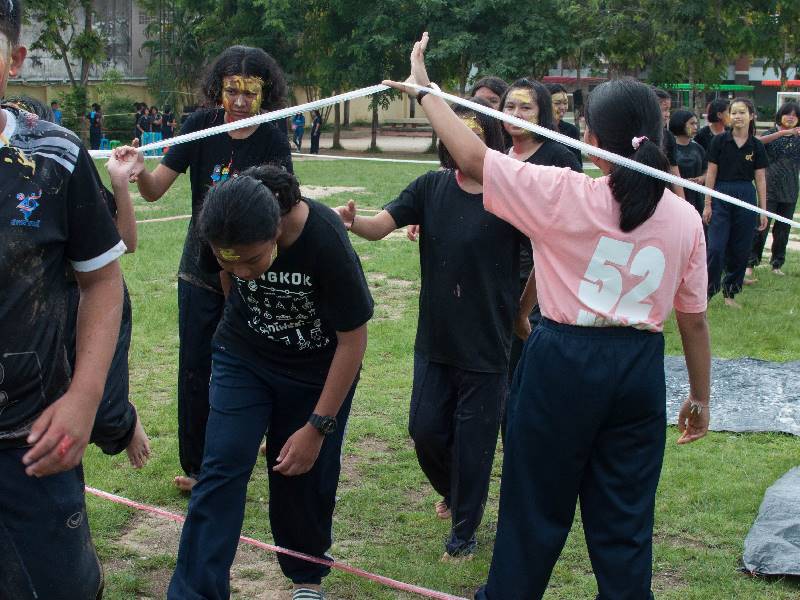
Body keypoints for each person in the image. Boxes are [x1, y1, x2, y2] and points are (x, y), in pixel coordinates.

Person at [385, 32, 711, 600]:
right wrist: (700, 400)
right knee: (626, 518)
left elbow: (472, 158)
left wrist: (425, 90)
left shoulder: (565, 193)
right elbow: (694, 321)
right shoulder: (684, 217)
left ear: (591, 142)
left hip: (562, 362)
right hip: (639, 370)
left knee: (534, 505)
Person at [168, 165, 373, 600]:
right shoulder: (221, 227)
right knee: (221, 466)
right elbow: (228, 282)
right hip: (243, 358)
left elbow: (353, 340)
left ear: (276, 228)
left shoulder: (324, 238)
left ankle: (306, 578)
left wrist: (317, 427)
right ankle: (195, 593)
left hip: (315, 371)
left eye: (253, 259)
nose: (242, 271)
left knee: (300, 474)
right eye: (229, 260)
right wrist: (245, 318)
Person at [334, 97, 525, 561]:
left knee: (475, 445)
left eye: (473, 136)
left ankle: (463, 535)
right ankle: (458, 495)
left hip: (487, 344)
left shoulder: (513, 194)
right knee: (425, 432)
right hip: (436, 340)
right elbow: (380, 226)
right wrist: (352, 222)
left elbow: (545, 253)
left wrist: (524, 311)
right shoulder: (430, 187)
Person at [113, 45, 293, 492]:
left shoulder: (272, 136)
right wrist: (138, 171)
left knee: (256, 359)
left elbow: (285, 203)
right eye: (232, 90)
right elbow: (155, 189)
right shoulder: (199, 126)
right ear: (218, 88)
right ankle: (196, 467)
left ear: (265, 92)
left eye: (250, 92)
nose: (239, 101)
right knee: (195, 368)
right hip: (199, 268)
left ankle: (266, 432)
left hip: (251, 272)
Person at [0, 2, 126, 597]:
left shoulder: (55, 157)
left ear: (14, 60)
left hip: (32, 439)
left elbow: (101, 281)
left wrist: (85, 397)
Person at [3, 95, 151, 468]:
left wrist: (120, 184)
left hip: (88, 304)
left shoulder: (58, 167)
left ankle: (127, 420)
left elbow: (125, 244)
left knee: (104, 411)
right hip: (47, 309)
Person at [498, 79, 582, 426]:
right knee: (503, 367)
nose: (516, 114)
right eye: (510, 106)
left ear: (541, 112)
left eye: (525, 107)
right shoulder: (499, 155)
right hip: (501, 273)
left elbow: (572, 225)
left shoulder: (559, 156)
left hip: (543, 280)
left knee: (529, 365)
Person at [703, 97, 768, 308]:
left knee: (741, 248)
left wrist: (763, 210)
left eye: (742, 112)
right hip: (721, 194)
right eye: (734, 112)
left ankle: (730, 293)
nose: (738, 116)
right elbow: (711, 173)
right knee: (715, 248)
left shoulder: (756, 145)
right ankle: (707, 292)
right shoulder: (719, 141)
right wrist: (708, 204)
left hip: (746, 195)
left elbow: (760, 179)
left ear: (752, 116)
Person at [747, 100, 800, 277]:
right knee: (761, 226)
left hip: (790, 190)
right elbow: (756, 142)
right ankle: (751, 262)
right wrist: (784, 133)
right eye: (787, 114)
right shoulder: (771, 133)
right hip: (769, 189)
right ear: (780, 116)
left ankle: (777, 264)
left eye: (795, 115)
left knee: (783, 230)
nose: (791, 117)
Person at [669, 109, 708, 216]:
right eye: (692, 123)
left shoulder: (698, 148)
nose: (695, 127)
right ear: (680, 124)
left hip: (697, 196)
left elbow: (707, 170)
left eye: (696, 123)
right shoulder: (670, 149)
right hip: (675, 196)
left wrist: (701, 178)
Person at [653, 88, 686, 199]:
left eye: (669, 110)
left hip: (663, 195)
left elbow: (674, 173)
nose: (667, 115)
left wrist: (682, 202)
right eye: (664, 110)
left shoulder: (668, 136)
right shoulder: (633, 135)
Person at [546, 82, 582, 163]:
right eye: (557, 103)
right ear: (544, 104)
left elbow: (577, 164)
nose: (563, 107)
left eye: (565, 103)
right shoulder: (536, 129)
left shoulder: (572, 131)